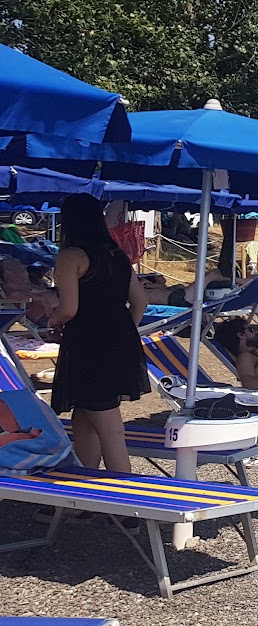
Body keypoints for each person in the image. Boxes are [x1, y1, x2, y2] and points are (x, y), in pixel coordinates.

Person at [46, 194, 148, 474]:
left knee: (109, 429)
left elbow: (68, 309)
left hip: (87, 345)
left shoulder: (71, 257)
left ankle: (126, 505)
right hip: (119, 341)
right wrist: (122, 329)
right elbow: (141, 302)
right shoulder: (116, 255)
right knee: (85, 422)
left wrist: (50, 323)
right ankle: (82, 497)